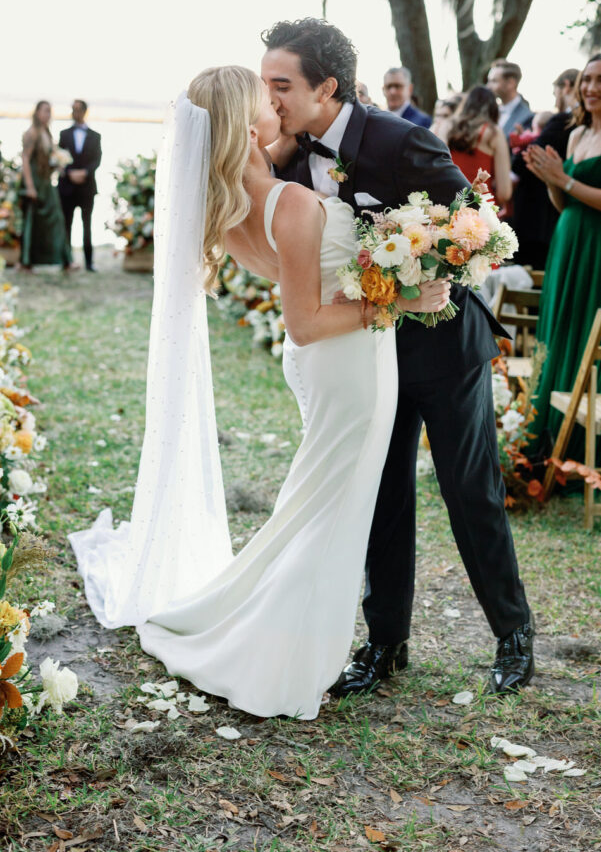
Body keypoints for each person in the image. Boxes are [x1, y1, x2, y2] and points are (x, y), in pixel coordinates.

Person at [69, 65, 450, 720]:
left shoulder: (228, 211)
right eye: (265, 100)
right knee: (325, 513)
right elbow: (307, 320)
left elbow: (308, 297)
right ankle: (274, 651)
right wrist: (401, 300)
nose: (277, 105)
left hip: (329, 362)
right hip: (345, 362)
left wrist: (381, 273)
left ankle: (278, 633)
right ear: (248, 127)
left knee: (320, 507)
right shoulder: (292, 202)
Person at [262, 18, 533, 697]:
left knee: (467, 490)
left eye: (282, 85)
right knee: (379, 494)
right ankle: (385, 644)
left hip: (443, 346)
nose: (272, 99)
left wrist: (408, 263)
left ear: (326, 87)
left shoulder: (398, 137)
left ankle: (512, 633)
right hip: (364, 353)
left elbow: (473, 224)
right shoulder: (290, 157)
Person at [523, 54, 601, 464]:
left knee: (586, 332)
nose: (590, 88)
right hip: (567, 238)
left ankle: (581, 447)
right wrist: (550, 181)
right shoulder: (576, 135)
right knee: (559, 329)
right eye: (586, 80)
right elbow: (563, 200)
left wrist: (564, 178)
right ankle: (547, 437)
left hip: (598, 244)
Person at [511, 68, 578, 268]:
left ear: (565, 86)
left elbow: (525, 161)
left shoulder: (563, 120)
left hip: (539, 217)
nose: (555, 99)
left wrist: (520, 151)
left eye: (554, 92)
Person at [19, 101, 72, 272]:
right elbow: (25, 159)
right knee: (31, 220)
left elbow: (49, 157)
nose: (48, 115)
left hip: (46, 182)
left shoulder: (46, 133)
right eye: (45, 111)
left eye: (50, 112)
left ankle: (65, 260)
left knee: (56, 218)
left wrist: (58, 164)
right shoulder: (31, 133)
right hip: (34, 181)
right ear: (37, 113)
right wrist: (29, 186)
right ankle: (26, 261)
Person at [445, 86, 512, 206]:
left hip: (448, 206)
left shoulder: (444, 127)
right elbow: (504, 192)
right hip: (480, 210)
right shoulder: (493, 132)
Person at [58, 100, 102, 272]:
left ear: (85, 112)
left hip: (86, 187)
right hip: (67, 187)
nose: (75, 112)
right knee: (66, 224)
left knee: (87, 225)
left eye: (78, 109)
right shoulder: (64, 134)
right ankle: (66, 261)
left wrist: (85, 173)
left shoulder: (95, 136)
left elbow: (97, 159)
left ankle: (89, 262)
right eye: (73, 109)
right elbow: (59, 157)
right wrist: (70, 173)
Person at [486, 59, 533, 139]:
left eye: (494, 81)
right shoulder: (488, 111)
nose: (488, 86)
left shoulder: (527, 117)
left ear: (510, 83)